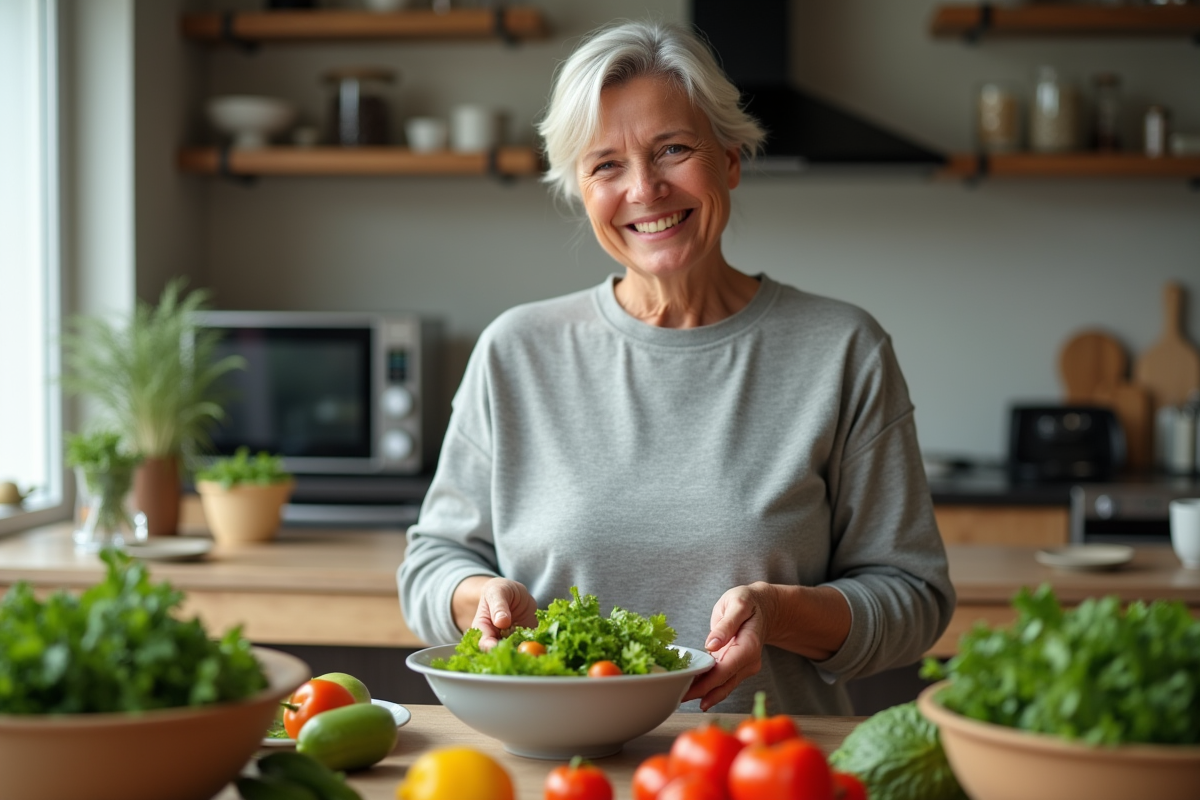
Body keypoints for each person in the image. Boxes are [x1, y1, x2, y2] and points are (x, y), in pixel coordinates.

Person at [398, 19, 955, 716]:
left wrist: (779, 614)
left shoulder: (843, 349)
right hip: (554, 760)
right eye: (606, 165)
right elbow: (431, 563)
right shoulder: (516, 350)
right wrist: (481, 598)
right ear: (579, 190)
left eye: (673, 150)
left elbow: (914, 598)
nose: (645, 188)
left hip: (758, 761)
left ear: (730, 161)